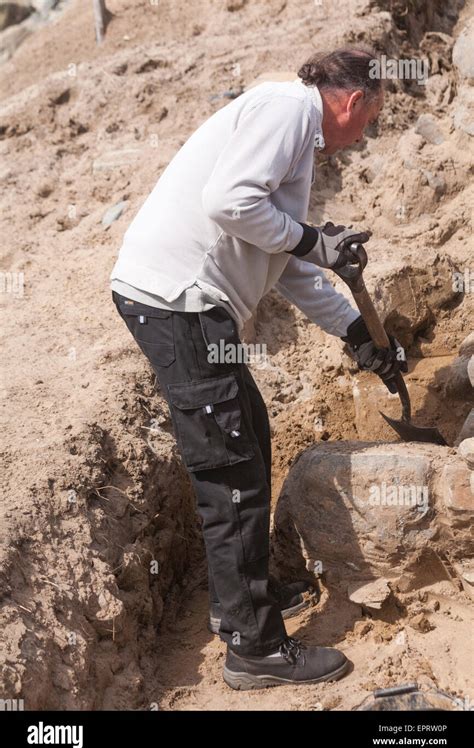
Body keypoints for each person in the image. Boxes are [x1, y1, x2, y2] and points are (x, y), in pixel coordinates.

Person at [110, 48, 407, 690]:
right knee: (230, 467)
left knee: (245, 436)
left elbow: (287, 259)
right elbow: (230, 203)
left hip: (183, 299)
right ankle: (254, 648)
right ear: (351, 103)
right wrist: (311, 239)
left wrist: (356, 329)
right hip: (176, 298)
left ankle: (246, 601)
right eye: (371, 120)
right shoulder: (289, 112)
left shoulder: (292, 134)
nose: (363, 138)